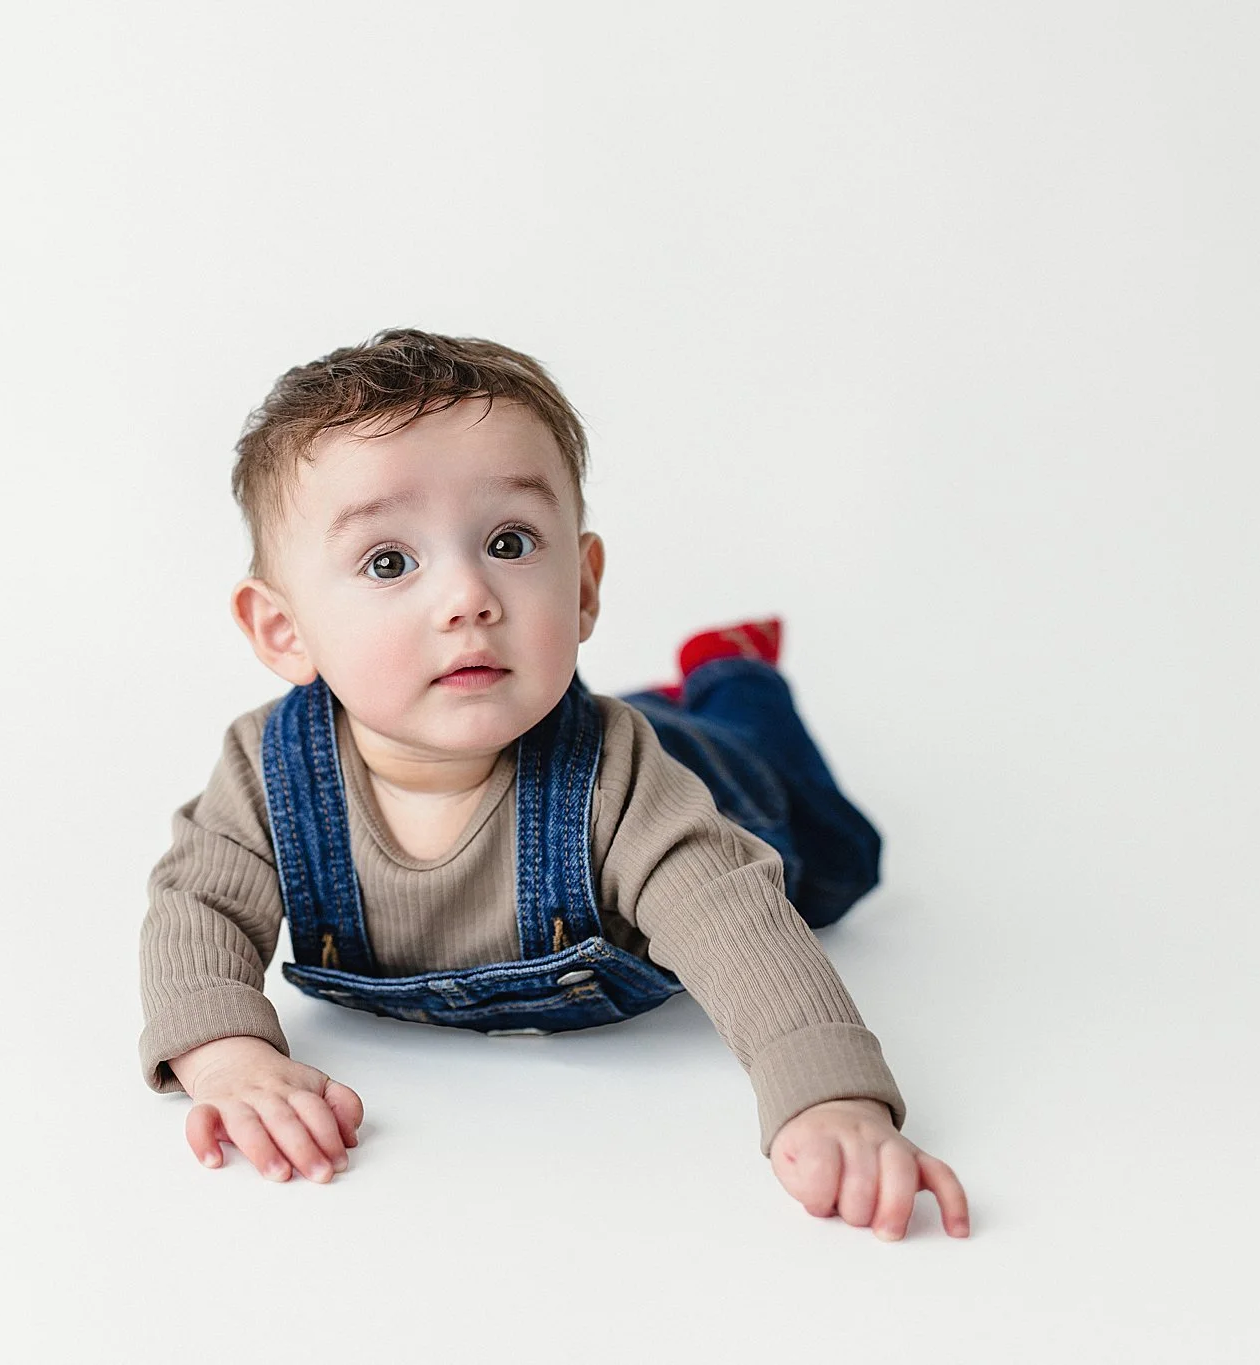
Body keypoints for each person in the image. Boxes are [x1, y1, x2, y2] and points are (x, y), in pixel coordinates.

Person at [136, 328, 969, 1241]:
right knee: (649, 713)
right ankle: (691, 684)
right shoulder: (271, 771)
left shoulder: (618, 775)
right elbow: (200, 906)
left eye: (509, 540)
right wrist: (227, 1055)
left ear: (581, 585)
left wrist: (828, 1099)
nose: (467, 596)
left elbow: (733, 919)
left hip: (738, 791)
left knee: (831, 841)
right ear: (283, 630)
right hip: (586, 718)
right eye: (389, 561)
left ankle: (736, 672)